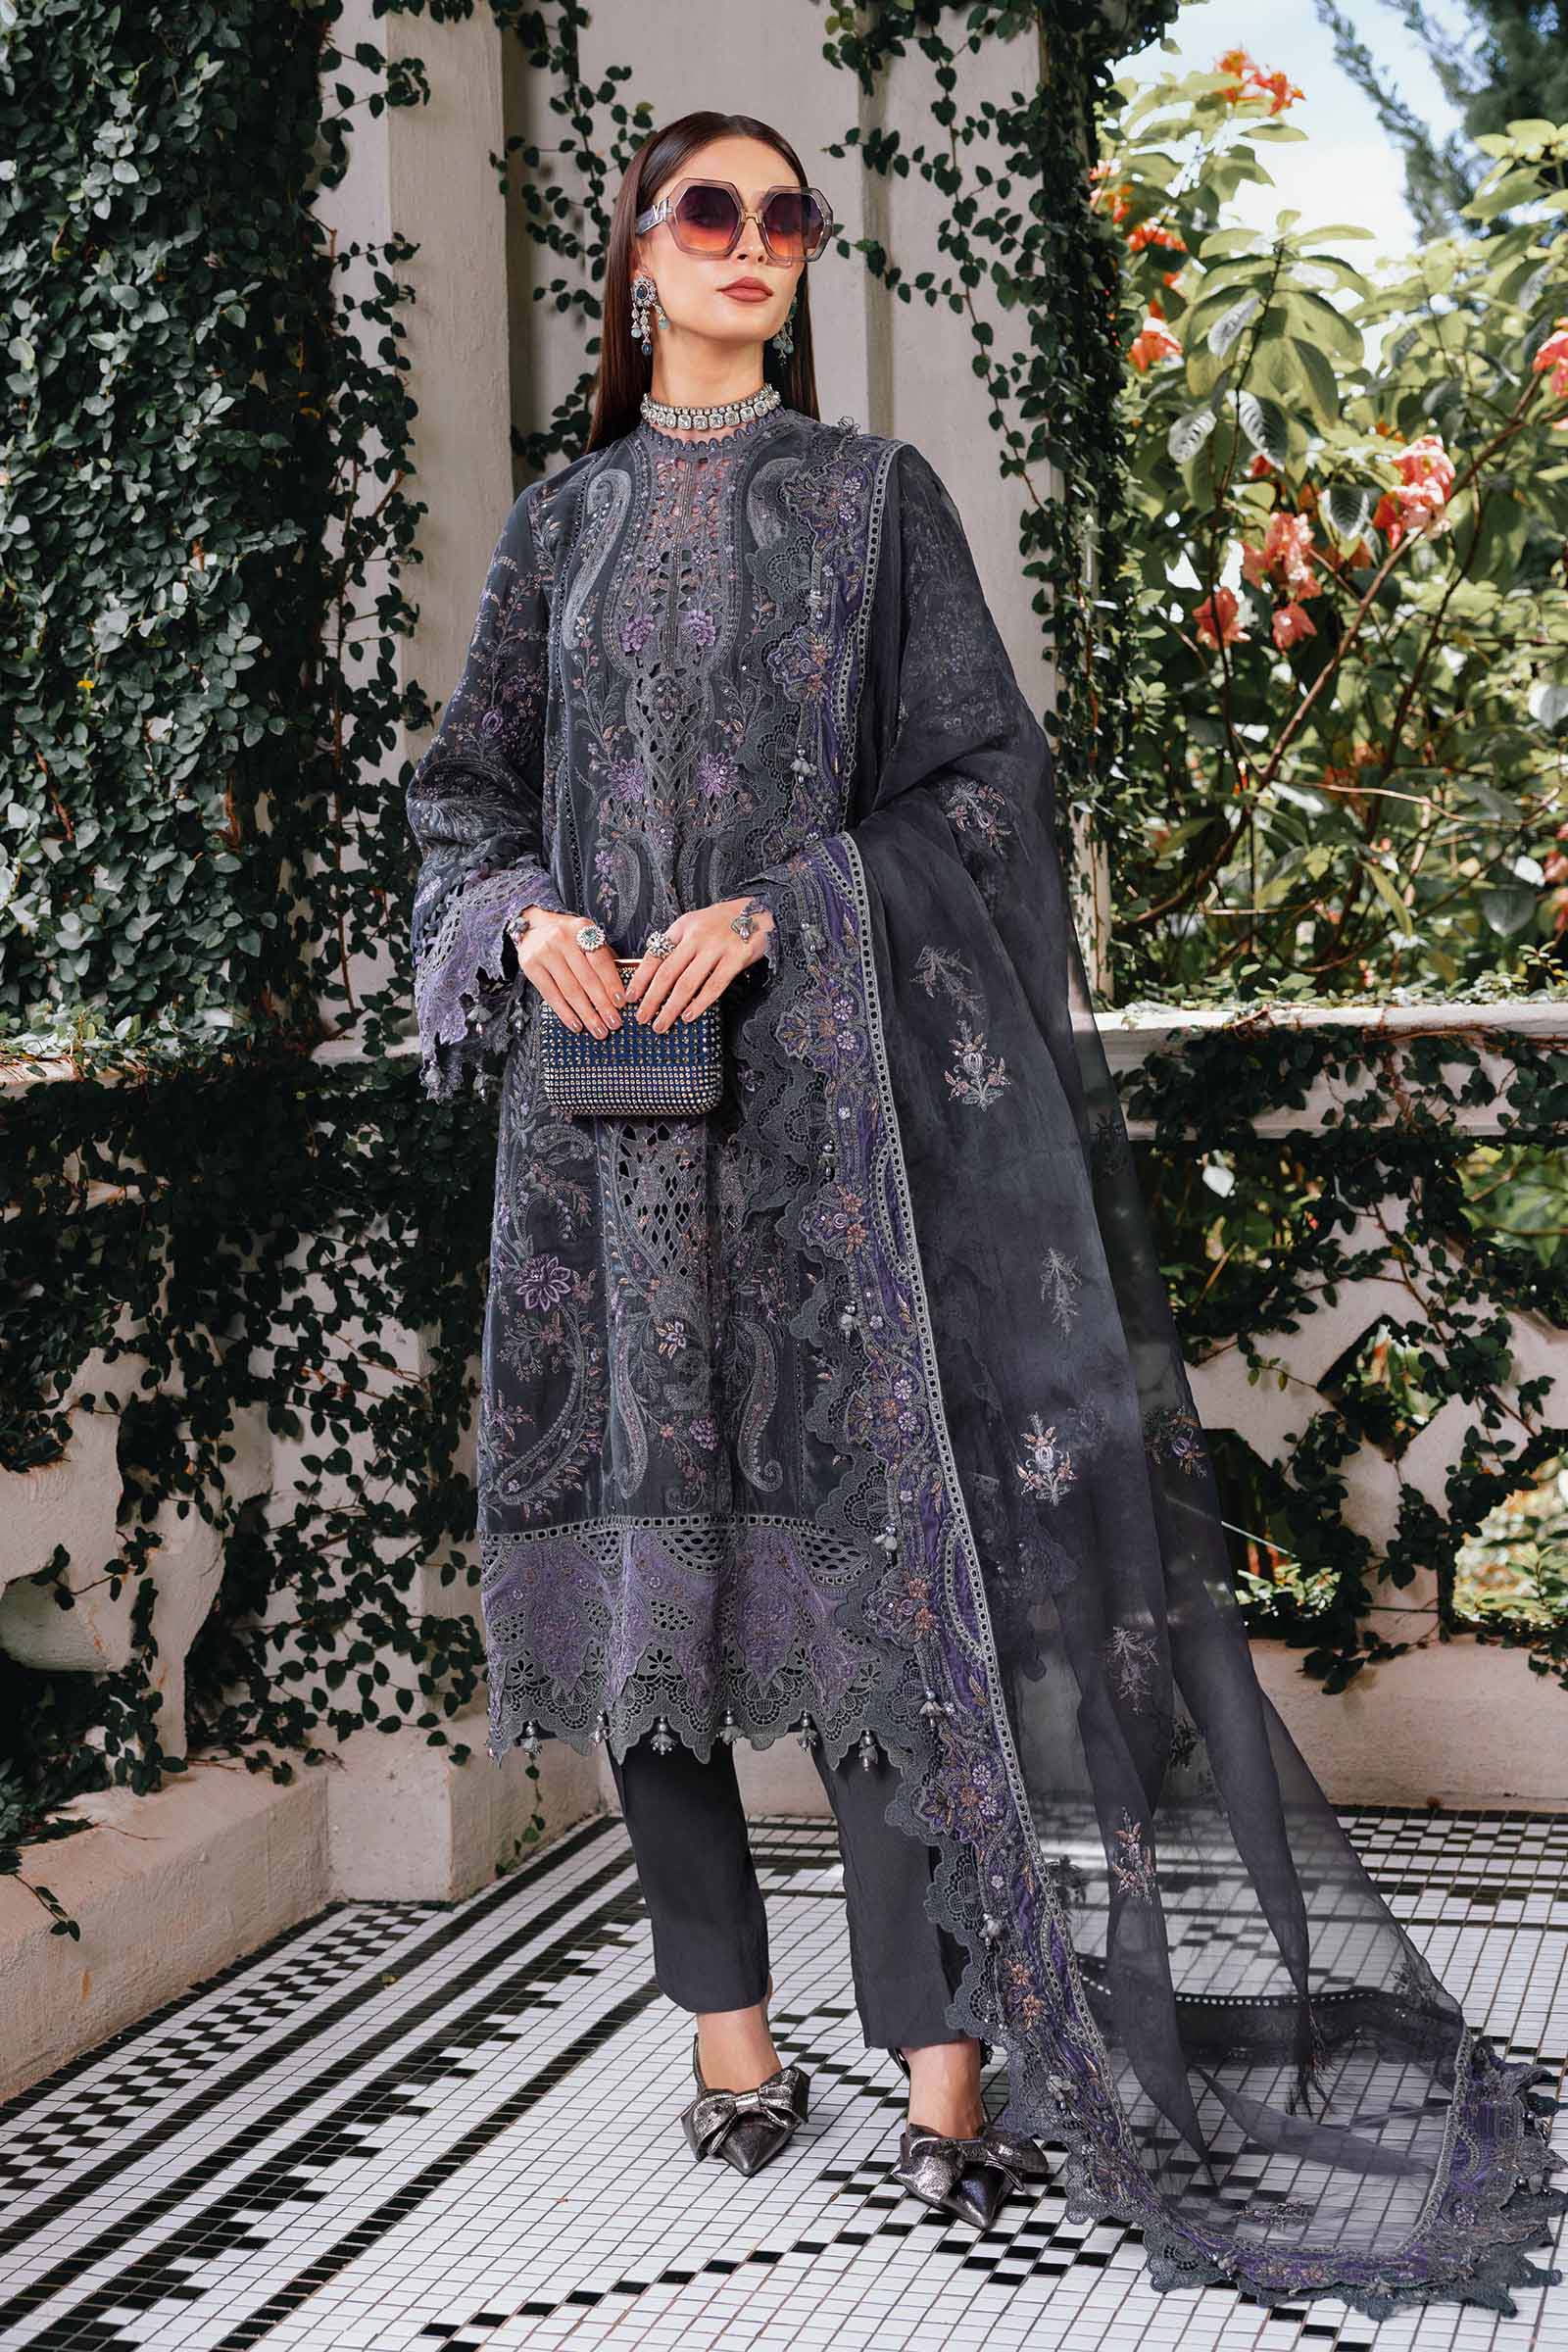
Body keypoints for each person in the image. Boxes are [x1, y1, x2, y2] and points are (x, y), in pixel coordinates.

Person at [407, 108, 1566, 2309]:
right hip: (603, 1157)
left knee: (877, 1616)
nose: (751, 244)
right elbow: (463, 794)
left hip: (835, 1153)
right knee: (649, 1596)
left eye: (783, 218)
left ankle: (941, 2069)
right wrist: (523, 915)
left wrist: (784, 905)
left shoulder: (873, 505)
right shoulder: (556, 531)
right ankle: (728, 2049)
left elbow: (983, 789)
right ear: (638, 255)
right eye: (709, 211)